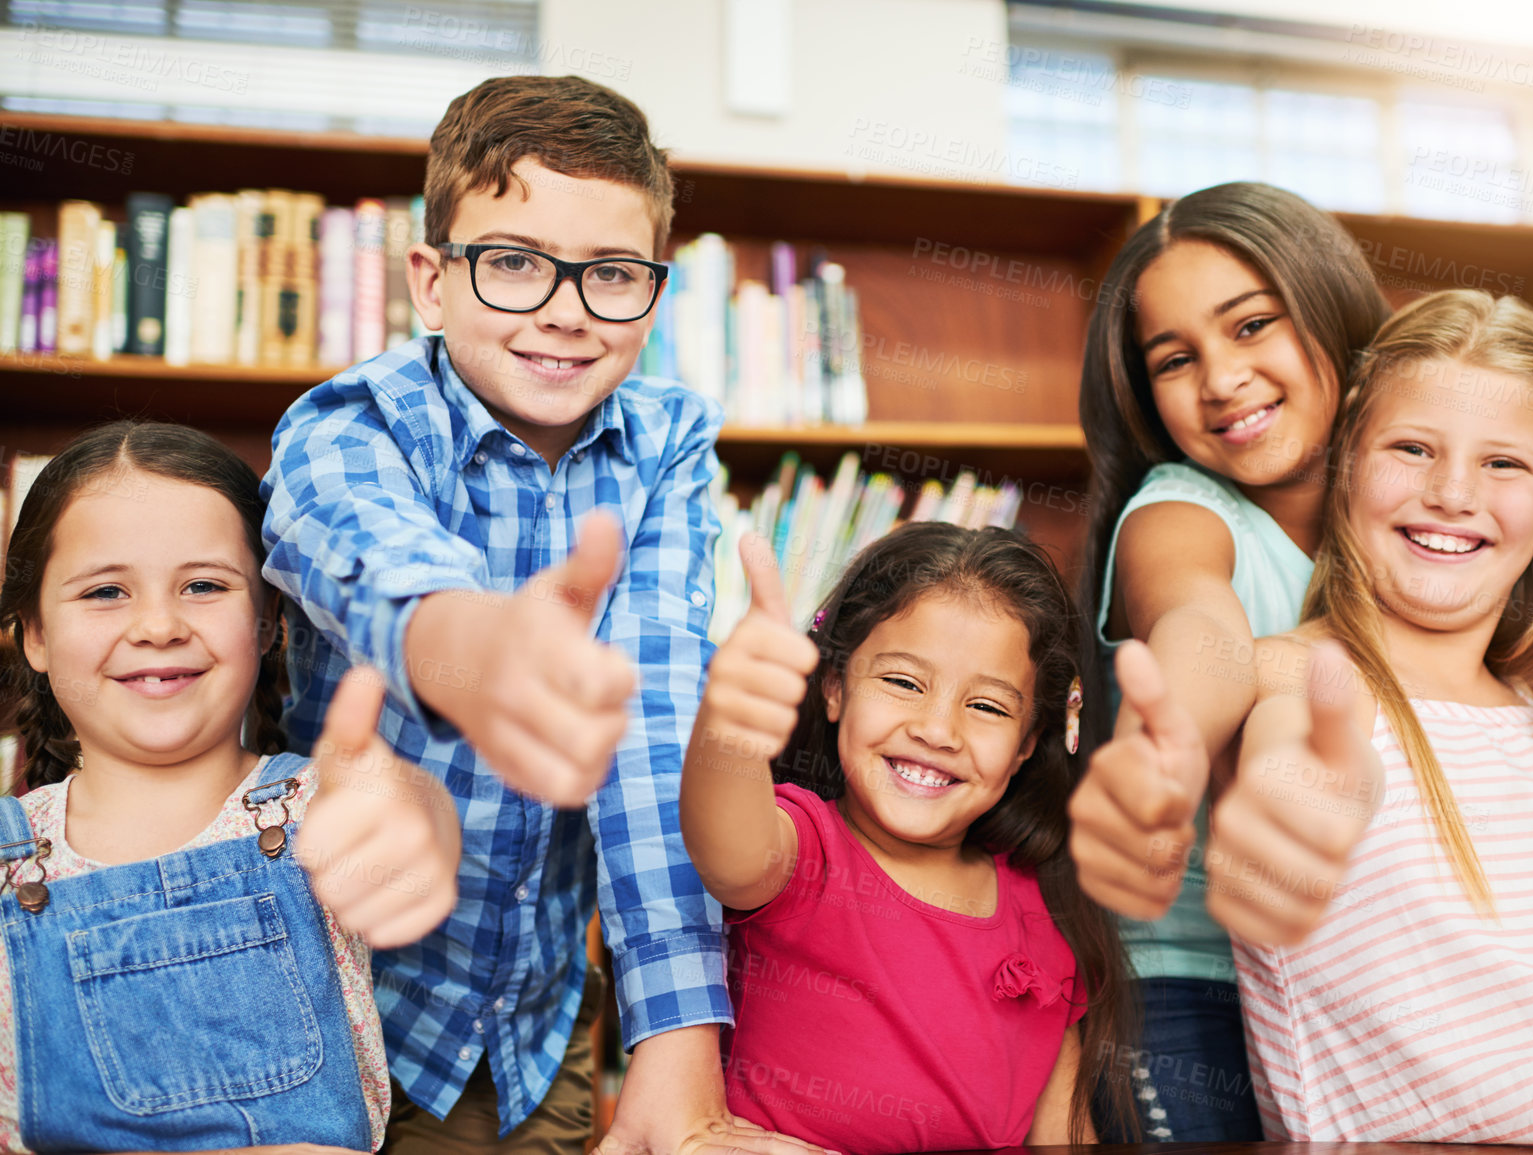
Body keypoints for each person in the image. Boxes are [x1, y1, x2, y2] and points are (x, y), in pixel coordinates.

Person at [261, 75, 818, 1153]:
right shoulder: (350, 420)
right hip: (337, 1005)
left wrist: (678, 1041)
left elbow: (654, 732)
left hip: (539, 1025)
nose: (565, 309)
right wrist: (474, 649)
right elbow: (367, 555)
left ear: (654, 294)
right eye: (513, 263)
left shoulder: (664, 442)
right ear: (432, 280)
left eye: (610, 273)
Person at [1192, 289, 1533, 1150]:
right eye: (1410, 448)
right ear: (1348, 470)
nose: (1450, 492)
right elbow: (1290, 773)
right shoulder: (1305, 674)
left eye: (1502, 464)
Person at [0, 420, 460, 1153]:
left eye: (204, 585)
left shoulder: (325, 810)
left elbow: (409, 829)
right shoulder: (6, 861)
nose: (157, 624)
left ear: (269, 619)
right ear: (34, 633)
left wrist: (414, 817)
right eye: (107, 590)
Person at [1066, 181, 1387, 1139]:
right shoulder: (1173, 512)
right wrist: (1173, 743)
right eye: (1176, 358)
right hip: (1188, 987)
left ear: (1331, 305)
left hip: (1358, 972)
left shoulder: (1411, 517)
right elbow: (1200, 627)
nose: (1220, 378)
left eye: (1251, 325)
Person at [682, 522, 1136, 1152]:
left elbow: (1064, 1135)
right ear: (835, 687)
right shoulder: (806, 846)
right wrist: (729, 727)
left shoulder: (1047, 911)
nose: (938, 730)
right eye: (903, 683)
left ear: (1028, 743)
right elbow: (727, 850)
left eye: (988, 707)